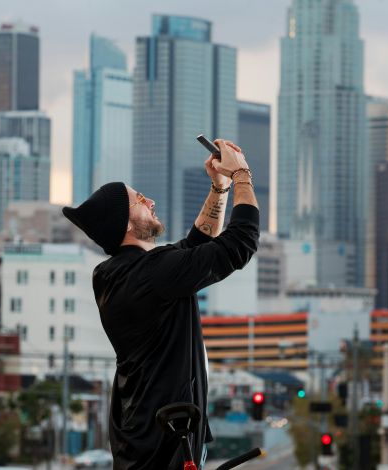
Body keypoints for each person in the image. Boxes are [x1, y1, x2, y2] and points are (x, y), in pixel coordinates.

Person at [62, 139, 259, 469]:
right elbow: (242, 241)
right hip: (166, 444)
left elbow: (193, 245)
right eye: (139, 200)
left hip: (144, 437)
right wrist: (241, 174)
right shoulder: (153, 273)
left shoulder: (114, 274)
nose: (150, 201)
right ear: (125, 223)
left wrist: (220, 187)